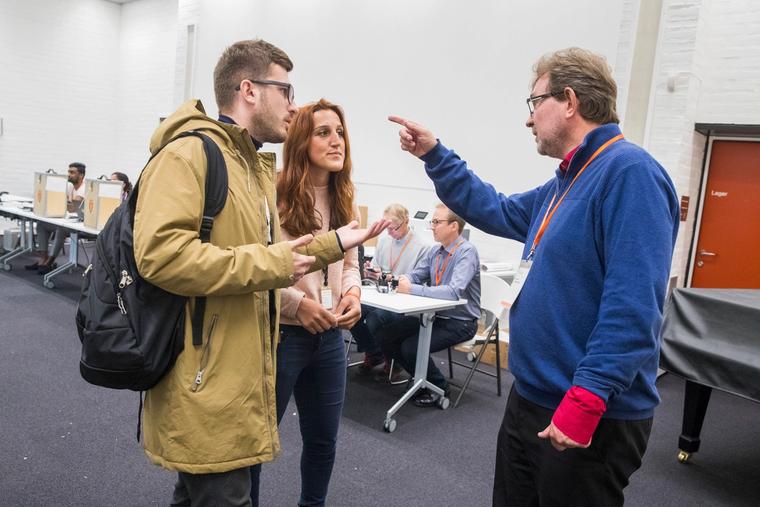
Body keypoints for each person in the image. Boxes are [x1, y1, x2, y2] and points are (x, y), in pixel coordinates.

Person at [390, 47, 679, 506]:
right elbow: (496, 209)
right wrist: (436, 155)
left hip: (588, 408)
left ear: (570, 101)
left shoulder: (630, 174)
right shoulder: (565, 182)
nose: (529, 119)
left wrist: (586, 400)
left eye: (535, 102)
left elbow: (634, 308)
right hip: (533, 395)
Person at [131, 40, 387, 506]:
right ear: (249, 90)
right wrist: (288, 282)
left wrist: (339, 246)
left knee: (210, 488)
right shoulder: (192, 154)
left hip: (244, 356)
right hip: (215, 368)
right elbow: (162, 257)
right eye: (286, 91)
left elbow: (269, 255)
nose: (292, 106)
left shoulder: (249, 165)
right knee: (228, 487)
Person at [249, 98, 365, 507]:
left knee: (323, 442)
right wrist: (297, 304)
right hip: (282, 337)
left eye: (340, 133)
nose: (337, 141)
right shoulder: (271, 193)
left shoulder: (344, 196)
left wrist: (353, 294)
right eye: (323, 133)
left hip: (330, 338)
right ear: (301, 141)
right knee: (257, 445)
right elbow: (254, 268)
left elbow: (349, 265)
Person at [376, 203, 481, 407]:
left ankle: (438, 386)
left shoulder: (466, 252)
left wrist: (411, 289)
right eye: (432, 222)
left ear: (454, 226)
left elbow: (453, 292)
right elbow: (417, 274)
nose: (432, 226)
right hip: (434, 316)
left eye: (436, 222)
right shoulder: (436, 251)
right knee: (385, 335)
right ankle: (419, 377)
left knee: (411, 347)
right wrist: (400, 279)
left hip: (460, 322)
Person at [351, 203, 429, 376]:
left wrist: (388, 277)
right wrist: (371, 271)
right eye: (387, 228)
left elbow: (417, 279)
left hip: (404, 301)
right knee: (352, 310)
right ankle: (374, 352)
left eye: (394, 228)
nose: (390, 233)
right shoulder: (384, 241)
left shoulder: (422, 247)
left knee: (375, 319)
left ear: (406, 221)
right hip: (382, 295)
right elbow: (377, 268)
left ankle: (392, 358)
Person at [26, 162, 86, 274]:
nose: (69, 175)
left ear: (81, 175)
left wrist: (62, 202)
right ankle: (42, 259)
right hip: (67, 221)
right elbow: (65, 203)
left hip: (80, 227)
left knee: (60, 229)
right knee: (41, 225)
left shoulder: (84, 188)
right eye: (69, 172)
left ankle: (49, 262)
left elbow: (73, 207)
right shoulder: (70, 186)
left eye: (72, 172)